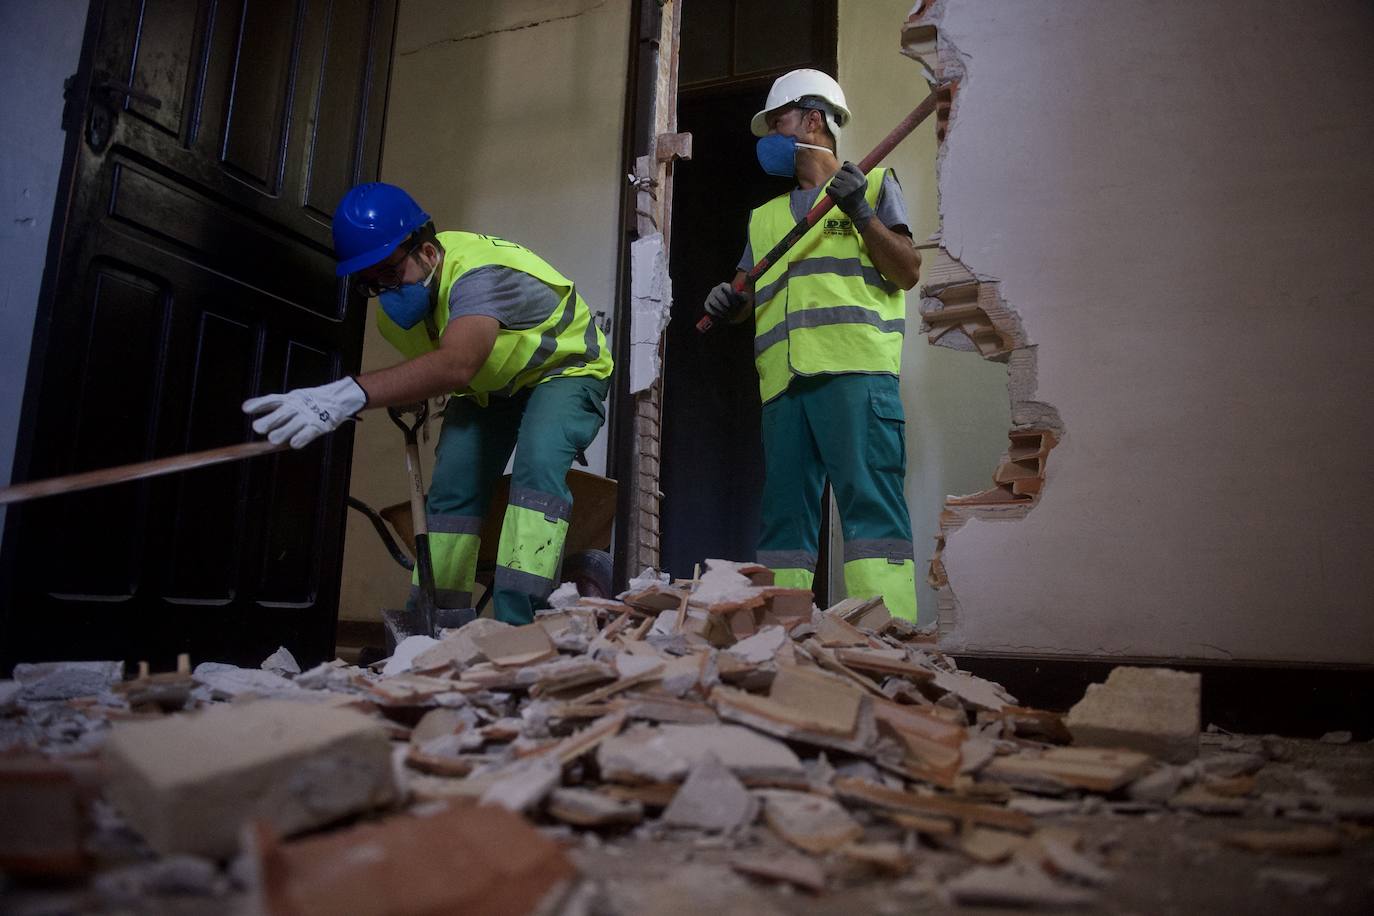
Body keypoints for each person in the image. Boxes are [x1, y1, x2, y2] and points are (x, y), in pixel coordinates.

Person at [243, 183, 612, 626]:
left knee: (535, 474)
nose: (384, 288)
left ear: (427, 252)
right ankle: (436, 623)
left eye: (389, 272)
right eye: (370, 282)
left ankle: (522, 625)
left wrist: (347, 393)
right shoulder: (396, 319)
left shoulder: (480, 275)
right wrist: (408, 394)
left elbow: (456, 363)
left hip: (564, 370)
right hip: (489, 388)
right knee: (452, 489)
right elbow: (435, 369)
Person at [702, 69, 923, 622]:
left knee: (871, 514)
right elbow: (744, 292)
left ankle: (887, 638)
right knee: (784, 529)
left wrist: (862, 215)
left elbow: (907, 271)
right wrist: (728, 306)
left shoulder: (871, 184)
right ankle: (784, 637)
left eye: (777, 122)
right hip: (784, 386)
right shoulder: (764, 218)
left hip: (856, 375)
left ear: (813, 119)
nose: (768, 138)